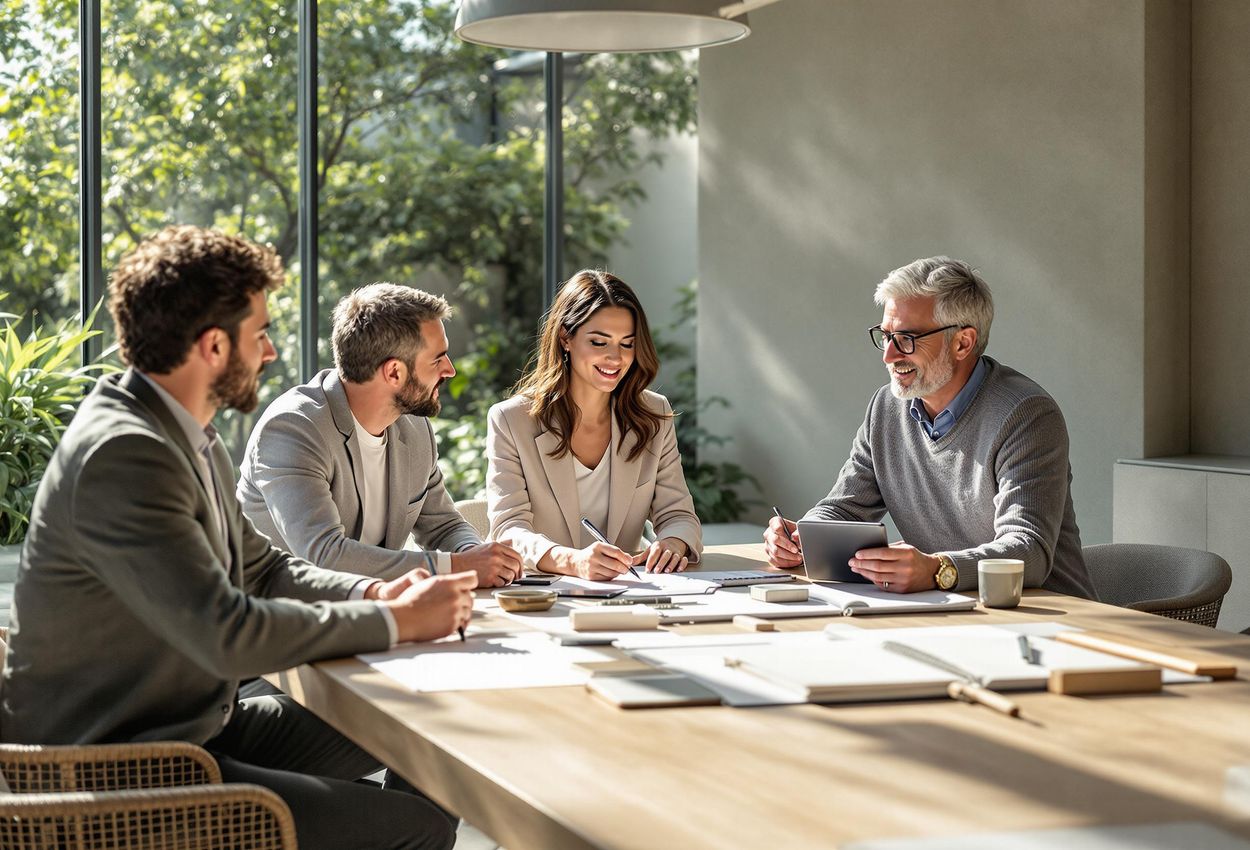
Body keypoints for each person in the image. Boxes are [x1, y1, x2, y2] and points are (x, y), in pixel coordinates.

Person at [0, 226, 474, 850]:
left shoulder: (184, 434)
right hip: (121, 768)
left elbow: (265, 568)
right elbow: (227, 634)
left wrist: (375, 594)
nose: (272, 353)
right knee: (419, 828)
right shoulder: (126, 455)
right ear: (215, 346)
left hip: (190, 727)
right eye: (261, 334)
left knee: (424, 725)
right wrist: (395, 625)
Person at [765, 256, 1096, 599]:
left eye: (907, 338)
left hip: (1050, 621)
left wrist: (938, 570)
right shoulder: (887, 408)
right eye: (886, 336)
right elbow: (844, 507)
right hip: (949, 613)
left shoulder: (1025, 415)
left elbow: (1028, 550)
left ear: (963, 343)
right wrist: (804, 535)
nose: (889, 356)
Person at [237, 283, 521, 587]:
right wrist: (456, 566)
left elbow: (442, 526)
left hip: (372, 612)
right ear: (394, 373)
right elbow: (324, 555)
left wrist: (477, 555)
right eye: (438, 359)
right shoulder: (292, 429)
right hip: (286, 617)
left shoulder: (414, 428)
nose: (450, 370)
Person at [486, 270, 702, 579]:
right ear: (565, 339)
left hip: (630, 592)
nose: (615, 358)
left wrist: (672, 543)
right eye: (599, 342)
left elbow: (678, 514)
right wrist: (572, 561)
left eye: (627, 344)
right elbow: (509, 529)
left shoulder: (653, 414)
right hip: (543, 595)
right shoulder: (511, 420)